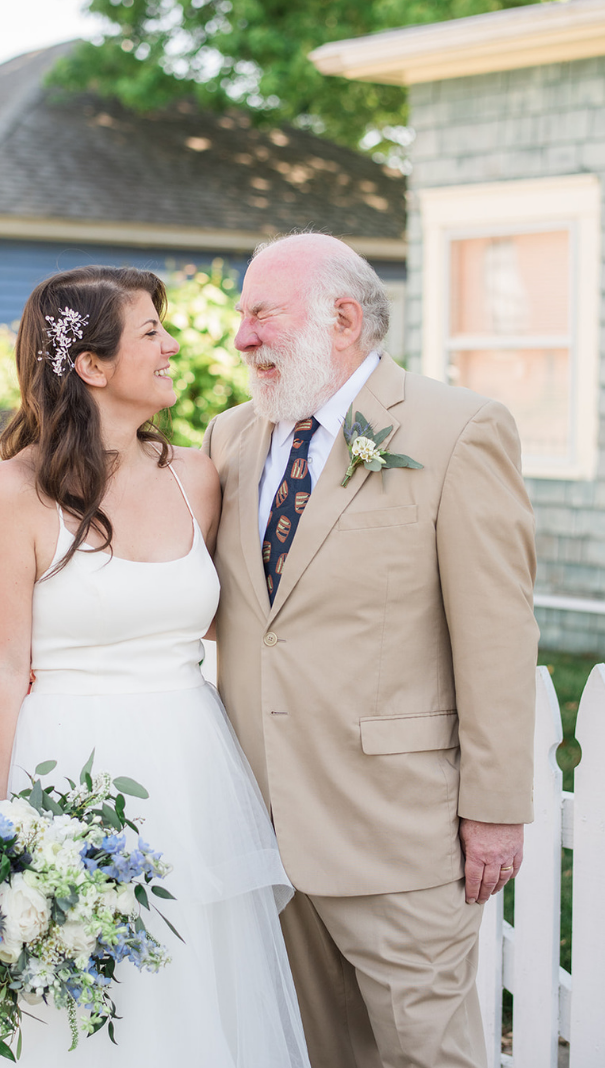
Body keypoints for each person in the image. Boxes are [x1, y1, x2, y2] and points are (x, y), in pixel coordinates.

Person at [0, 265, 310, 1065]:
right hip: (64, 763)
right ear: (92, 366)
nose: (173, 345)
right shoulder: (11, 493)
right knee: (54, 994)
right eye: (151, 332)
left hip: (191, 766)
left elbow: (223, 622)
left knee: (191, 979)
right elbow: (0, 665)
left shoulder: (197, 477)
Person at [202, 232, 537, 1068]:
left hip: (397, 830)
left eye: (259, 316)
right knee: (314, 1054)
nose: (241, 338)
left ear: (342, 318)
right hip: (263, 830)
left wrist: (494, 809)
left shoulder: (458, 430)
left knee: (431, 1055)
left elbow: (497, 634)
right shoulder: (230, 438)